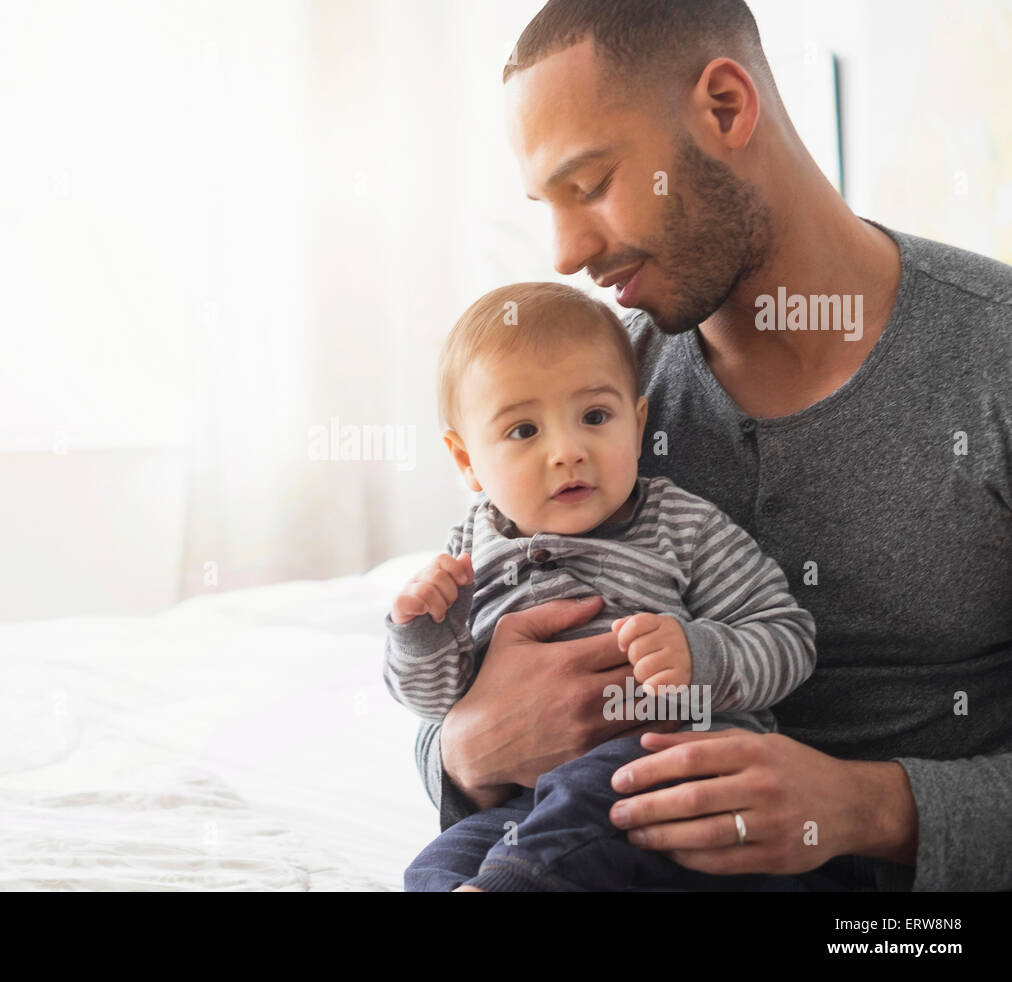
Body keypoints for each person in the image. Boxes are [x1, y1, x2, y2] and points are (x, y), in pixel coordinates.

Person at [415, 0, 1012, 891]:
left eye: (591, 183)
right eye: (548, 204)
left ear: (726, 108)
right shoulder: (600, 392)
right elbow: (467, 659)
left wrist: (870, 807)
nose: (567, 251)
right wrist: (463, 749)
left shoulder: (992, 360)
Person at [385, 282, 827, 890]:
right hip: (528, 806)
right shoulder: (468, 551)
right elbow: (438, 705)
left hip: (669, 773)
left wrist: (699, 655)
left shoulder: (681, 525)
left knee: (585, 797)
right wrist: (420, 636)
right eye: (523, 432)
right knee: (438, 862)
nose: (567, 452)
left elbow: (787, 638)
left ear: (638, 422)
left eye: (595, 417)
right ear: (466, 460)